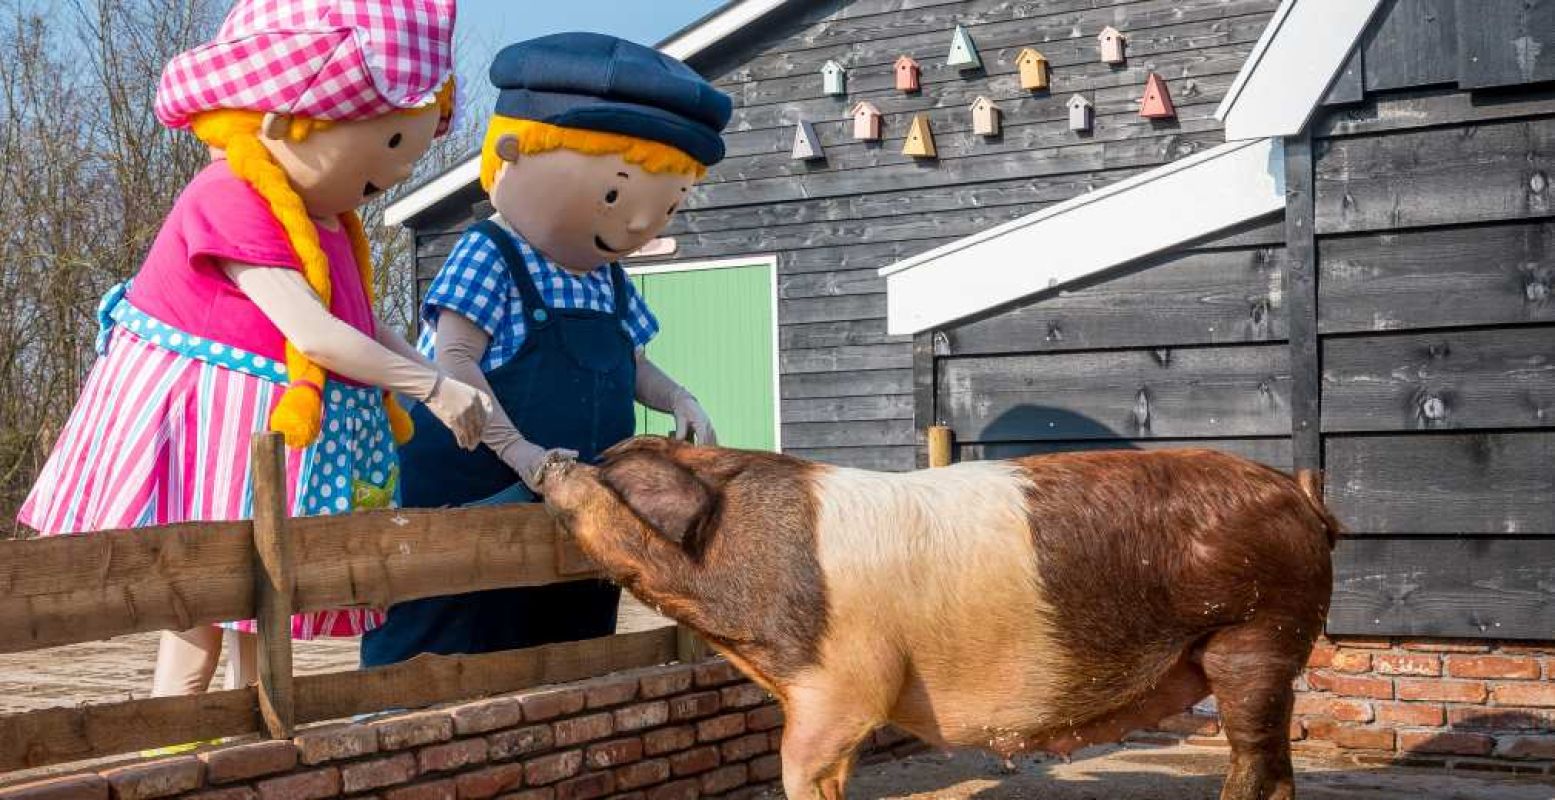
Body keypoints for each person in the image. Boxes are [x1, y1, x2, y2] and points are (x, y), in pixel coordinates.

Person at [18, 0, 489, 704]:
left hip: (271, 442)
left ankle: (256, 739)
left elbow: (362, 321)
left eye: (408, 150)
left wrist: (431, 377)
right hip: (212, 431)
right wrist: (432, 389)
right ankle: (173, 741)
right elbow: (317, 333)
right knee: (201, 598)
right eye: (391, 147)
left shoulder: (328, 221)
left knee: (255, 602)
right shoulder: (233, 196)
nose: (397, 171)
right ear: (281, 122)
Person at [360, 32, 731, 667]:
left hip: (579, 497)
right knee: (456, 639)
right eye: (615, 195)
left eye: (667, 205)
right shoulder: (491, 252)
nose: (638, 224)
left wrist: (680, 398)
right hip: (476, 494)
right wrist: (522, 453)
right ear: (510, 155)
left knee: (569, 639)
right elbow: (453, 360)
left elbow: (630, 360)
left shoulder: (606, 275)